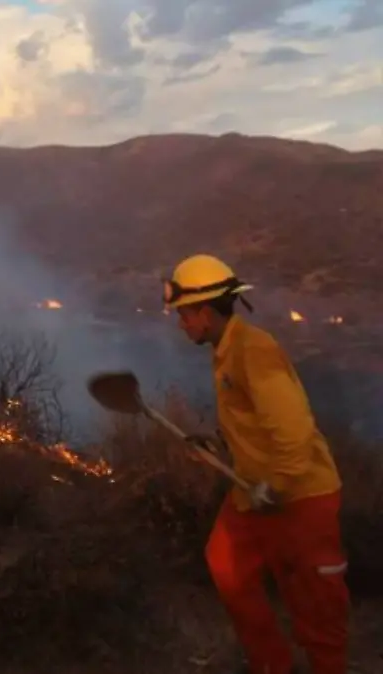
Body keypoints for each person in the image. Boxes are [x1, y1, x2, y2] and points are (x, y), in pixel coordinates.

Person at [164, 254, 348, 674]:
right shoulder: (227, 352)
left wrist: (277, 485)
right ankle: (271, 665)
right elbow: (253, 425)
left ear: (205, 312)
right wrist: (217, 444)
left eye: (183, 315)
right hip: (253, 491)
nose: (180, 324)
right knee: (225, 564)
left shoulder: (255, 352)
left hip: (301, 495)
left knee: (316, 602)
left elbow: (294, 433)